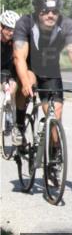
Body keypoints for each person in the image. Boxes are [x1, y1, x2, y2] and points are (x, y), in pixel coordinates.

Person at [11, 0, 72, 144]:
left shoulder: (67, 25)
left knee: (55, 115)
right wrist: (25, 82)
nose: (50, 15)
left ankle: (53, 152)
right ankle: (19, 125)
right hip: (29, 66)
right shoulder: (25, 23)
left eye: (55, 11)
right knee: (27, 83)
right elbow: (19, 57)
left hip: (50, 70)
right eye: (45, 11)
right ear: (37, 11)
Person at [1, 10, 23, 147]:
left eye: (14, 30)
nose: (11, 32)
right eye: (8, 29)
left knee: (13, 89)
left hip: (9, 68)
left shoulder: (15, 41)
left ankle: (12, 119)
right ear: (1, 27)